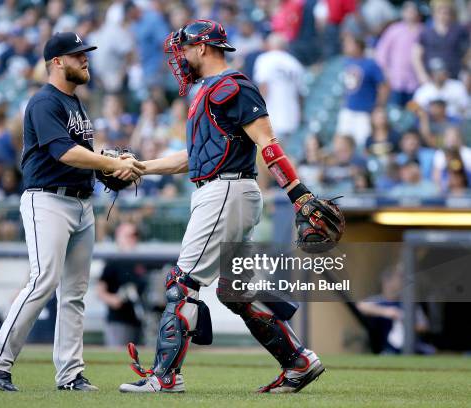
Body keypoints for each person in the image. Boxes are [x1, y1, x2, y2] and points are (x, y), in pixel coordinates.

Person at [120, 19, 342, 394]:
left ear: (203, 48)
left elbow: (268, 143)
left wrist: (298, 194)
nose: (181, 56)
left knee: (181, 284)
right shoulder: (208, 90)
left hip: (226, 192)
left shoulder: (232, 86)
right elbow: (194, 157)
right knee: (234, 290)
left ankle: (166, 376)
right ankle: (298, 362)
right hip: (223, 191)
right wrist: (142, 167)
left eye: (185, 48)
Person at [0, 31, 145, 392]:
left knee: (74, 294)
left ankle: (69, 375)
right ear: (57, 61)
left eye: (85, 53)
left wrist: (112, 161)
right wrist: (110, 164)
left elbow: (85, 157)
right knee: (44, 279)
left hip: (81, 202)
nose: (85, 59)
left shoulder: (75, 103)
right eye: (77, 54)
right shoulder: (44, 102)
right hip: (47, 200)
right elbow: (64, 153)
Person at [97, 222, 147, 347]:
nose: (133, 238)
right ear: (119, 237)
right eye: (128, 235)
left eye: (135, 235)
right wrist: (114, 300)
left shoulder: (141, 260)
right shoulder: (113, 261)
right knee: (118, 354)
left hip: (138, 319)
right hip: (118, 320)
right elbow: (100, 291)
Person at [336, 33, 389, 148]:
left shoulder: (371, 64)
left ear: (358, 46)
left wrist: (378, 106)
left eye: (349, 44)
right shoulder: (347, 61)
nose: (345, 46)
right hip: (348, 109)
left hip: (364, 112)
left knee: (361, 144)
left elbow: (384, 86)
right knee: (343, 141)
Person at [253, 33, 305, 140]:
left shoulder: (265, 59)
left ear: (269, 45)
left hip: (272, 116)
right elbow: (300, 94)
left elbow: (264, 87)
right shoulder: (295, 63)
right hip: (292, 116)